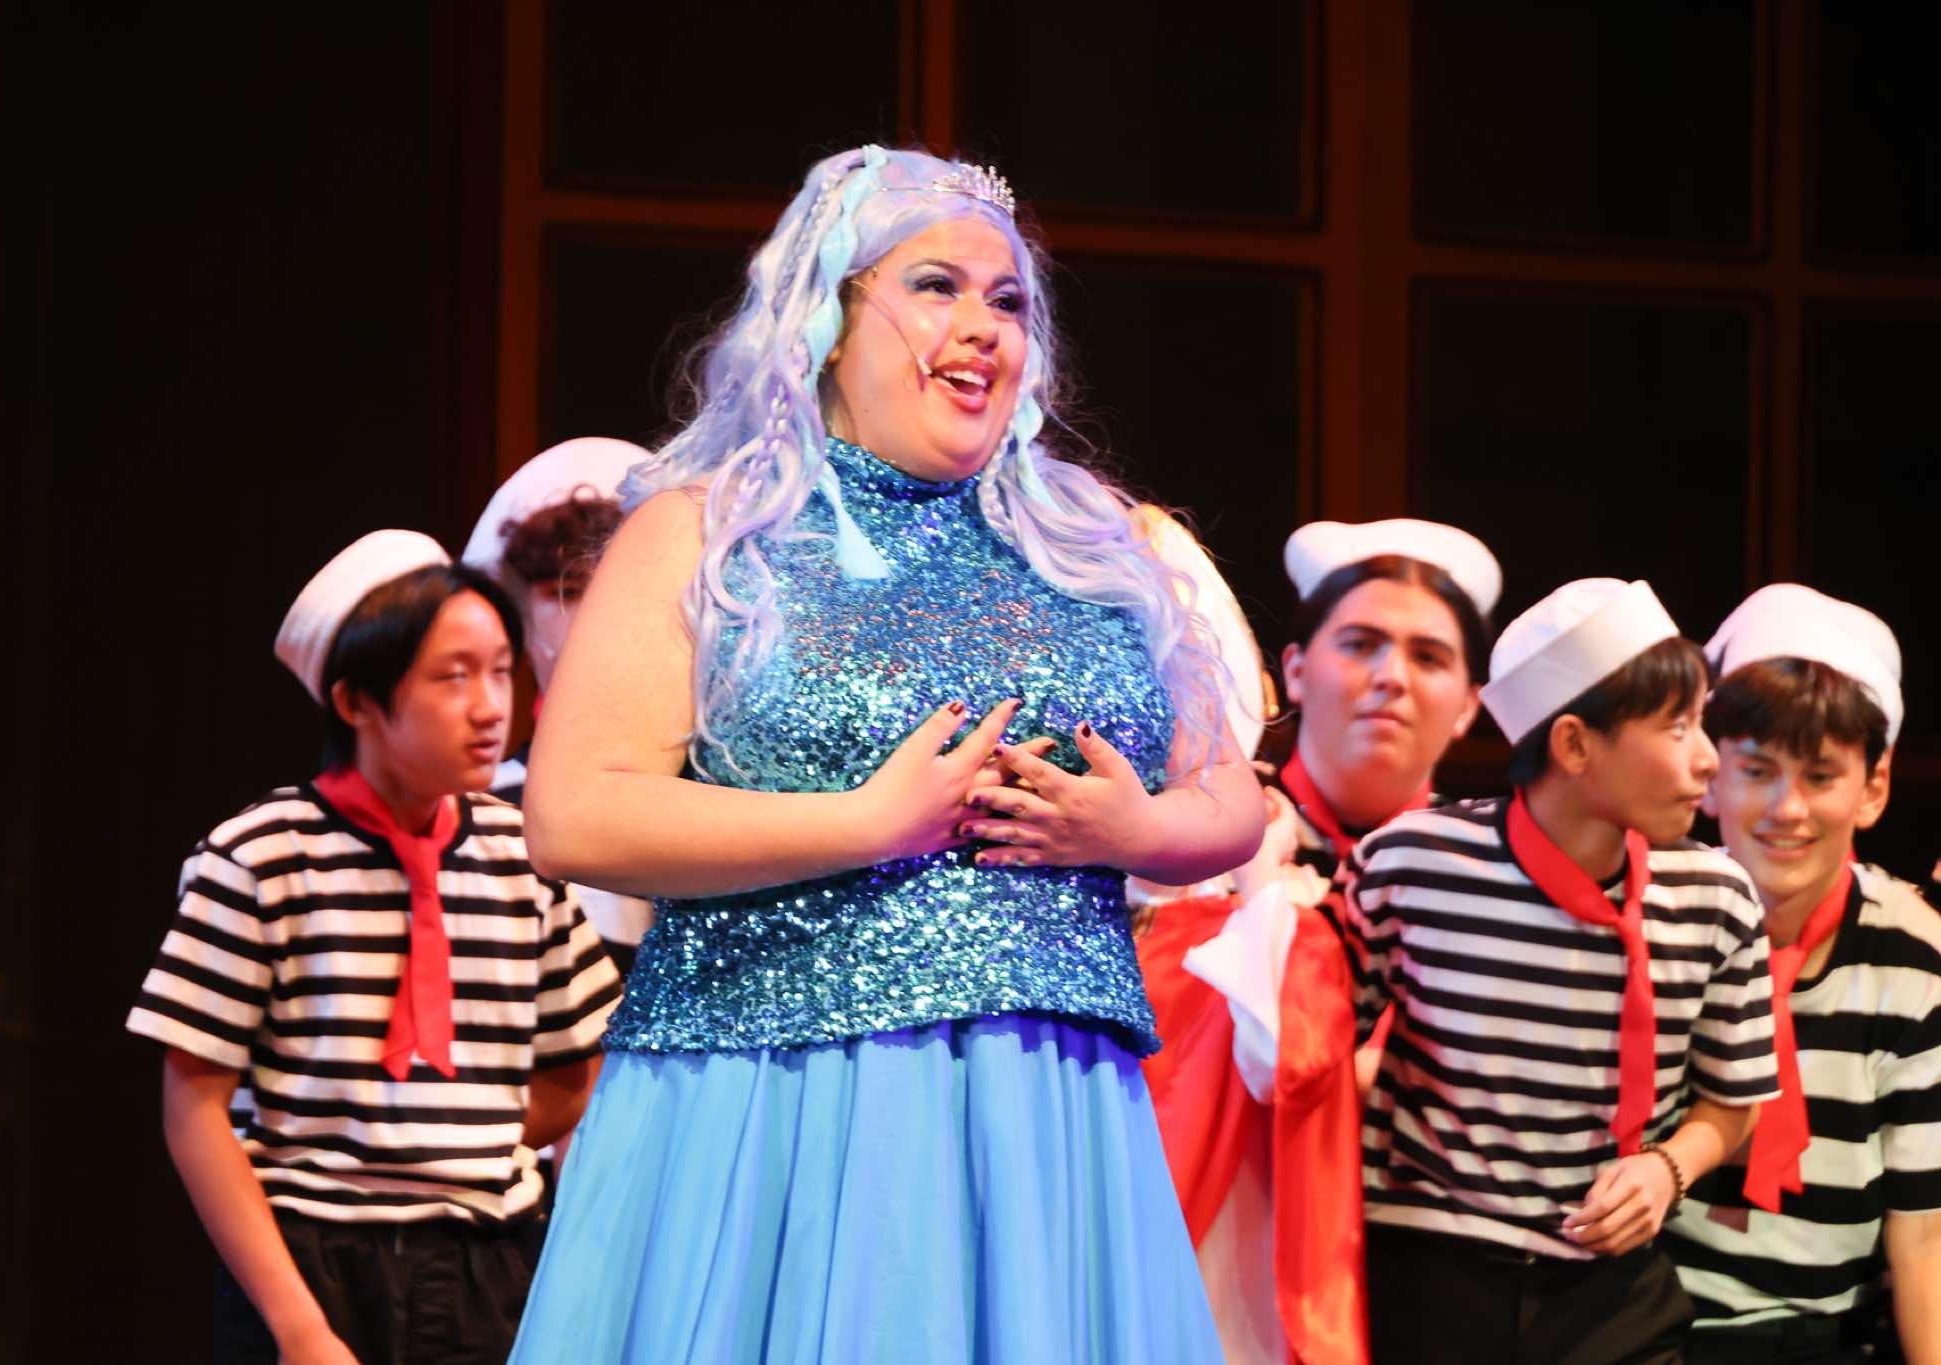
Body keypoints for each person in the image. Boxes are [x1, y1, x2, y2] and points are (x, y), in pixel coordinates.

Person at [505, 144, 1264, 1364]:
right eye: (934, 285)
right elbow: (573, 816)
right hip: (773, 1098)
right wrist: (863, 824)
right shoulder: (708, 533)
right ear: (826, 316)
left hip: (1042, 1106)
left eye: (1006, 300)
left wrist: (1137, 832)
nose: (981, 326)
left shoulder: (1091, 546)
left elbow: (1228, 794)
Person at [125, 530, 622, 1364]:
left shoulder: (523, 854)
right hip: (310, 1256)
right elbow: (193, 1109)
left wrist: (450, 1137)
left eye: (501, 670)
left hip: (485, 1258)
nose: (489, 706)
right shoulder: (259, 856)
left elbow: (576, 1067)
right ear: (357, 701)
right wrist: (297, 1325)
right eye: (452, 676)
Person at [1335, 577, 1780, 1365]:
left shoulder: (1715, 896)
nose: (1708, 758)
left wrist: (1667, 1168)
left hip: (1613, 1289)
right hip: (1426, 1273)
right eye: (1677, 726)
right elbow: (1316, 1055)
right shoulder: (1411, 862)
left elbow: (1734, 1097)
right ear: (1574, 745)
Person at [1137, 518, 1500, 1365]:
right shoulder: (1200, 854)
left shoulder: (1492, 883)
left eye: (1429, 656)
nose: (1391, 677)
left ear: (1470, 705)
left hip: (1443, 1284)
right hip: (1233, 1273)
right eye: (1361, 644)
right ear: (1294, 669)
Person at [1659, 584, 1941, 1364]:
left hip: (1821, 1336)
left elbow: (1925, 1230)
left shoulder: (1915, 955)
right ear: (1711, 776)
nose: (1787, 808)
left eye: (1820, 776)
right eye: (1758, 770)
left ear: (1872, 788)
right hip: (1642, 1324)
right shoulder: (1653, 920)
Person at [463, 437, 652, 972]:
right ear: (519, 615)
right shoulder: (476, 808)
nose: (589, 615)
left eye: (607, 585)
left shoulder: (714, 795)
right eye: (562, 592)